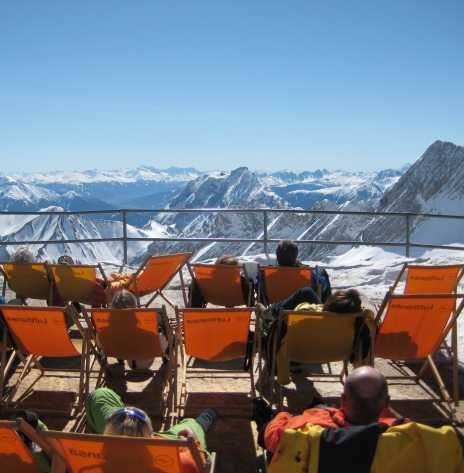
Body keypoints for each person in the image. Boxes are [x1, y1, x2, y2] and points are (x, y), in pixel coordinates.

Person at [255, 367, 463, 472]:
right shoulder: (423, 441)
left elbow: (271, 436)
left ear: (343, 400)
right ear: (386, 403)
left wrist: (281, 417)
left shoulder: (310, 435)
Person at [85, 387, 217, 473]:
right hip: (162, 448)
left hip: (114, 448)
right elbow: (203, 463)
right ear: (150, 436)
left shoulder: (87, 461)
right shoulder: (182, 462)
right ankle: (202, 421)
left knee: (100, 396)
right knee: (191, 427)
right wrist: (194, 442)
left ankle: (115, 430)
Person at [108, 289, 168, 370]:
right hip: (144, 360)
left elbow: (101, 342)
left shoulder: (110, 328)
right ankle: (166, 359)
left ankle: (120, 361)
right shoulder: (141, 322)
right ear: (134, 305)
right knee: (165, 333)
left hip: (126, 357)